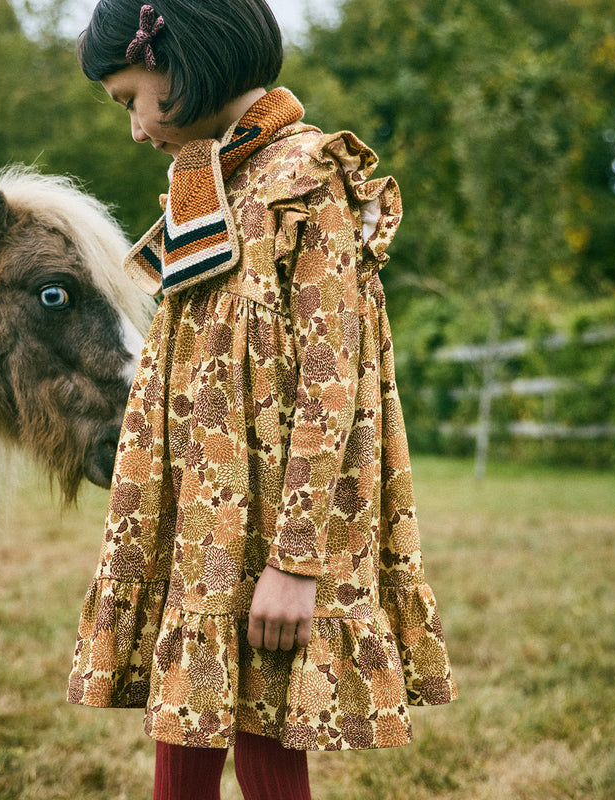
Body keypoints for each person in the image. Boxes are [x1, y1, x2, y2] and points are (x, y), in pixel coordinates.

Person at [67, 2, 457, 798]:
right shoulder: (214, 180)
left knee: (268, 740)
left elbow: (331, 384)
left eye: (130, 100)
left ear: (181, 60)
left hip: (277, 528)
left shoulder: (306, 180)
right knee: (187, 720)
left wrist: (295, 563)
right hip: (207, 525)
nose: (136, 129)